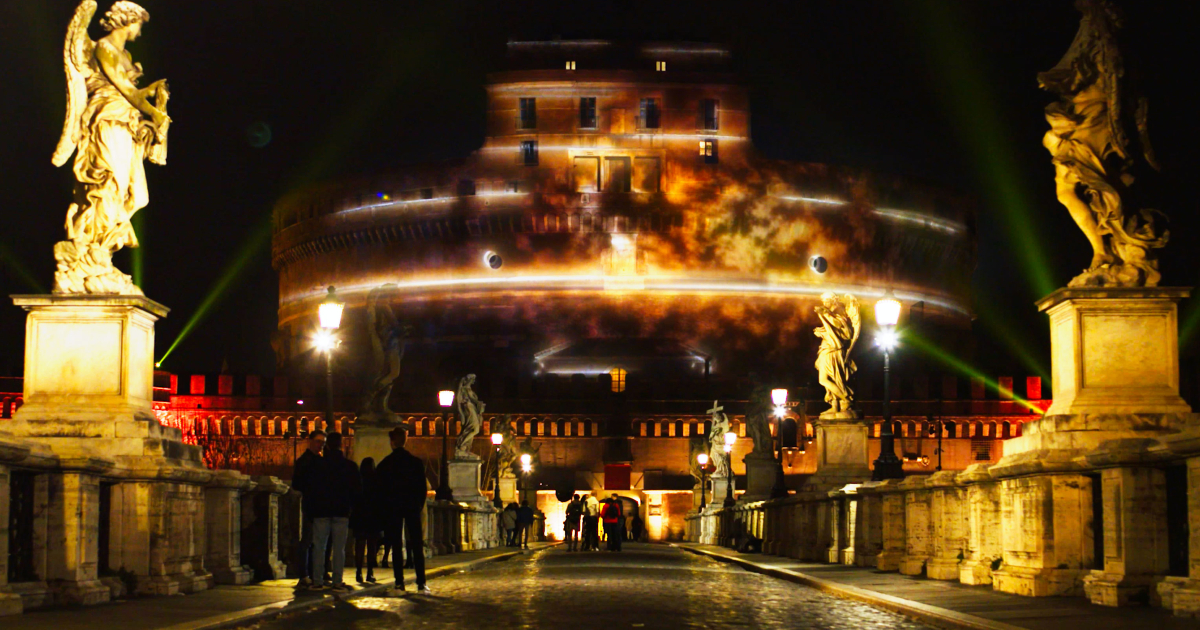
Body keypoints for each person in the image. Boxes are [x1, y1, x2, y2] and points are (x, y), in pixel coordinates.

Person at [376, 427, 431, 594]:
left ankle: (399, 583)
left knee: (396, 545)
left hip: (393, 508)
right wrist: (417, 505)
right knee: (416, 545)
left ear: (391, 442)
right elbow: (422, 488)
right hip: (412, 507)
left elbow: (379, 489)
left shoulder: (385, 463)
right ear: (405, 440)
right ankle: (421, 583)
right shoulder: (415, 462)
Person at [308, 432, 361, 592]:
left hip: (321, 511)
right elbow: (357, 490)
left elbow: (311, 489)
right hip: (341, 511)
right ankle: (337, 581)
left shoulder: (317, 465)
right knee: (339, 548)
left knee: (319, 547)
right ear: (341, 445)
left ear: (327, 445)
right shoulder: (350, 466)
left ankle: (317, 580)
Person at [291, 430, 325, 588]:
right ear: (311, 441)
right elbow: (297, 483)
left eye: (323, 442)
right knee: (307, 539)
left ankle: (313, 572)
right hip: (311, 504)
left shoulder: (318, 460)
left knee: (316, 540)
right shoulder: (305, 461)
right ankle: (304, 573)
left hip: (317, 504)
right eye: (318, 441)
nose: (321, 445)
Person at [351, 457, 382, 584]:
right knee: (371, 546)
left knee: (359, 544)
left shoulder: (359, 480)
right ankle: (370, 572)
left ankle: (358, 571)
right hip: (373, 515)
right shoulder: (376, 481)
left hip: (360, 515)